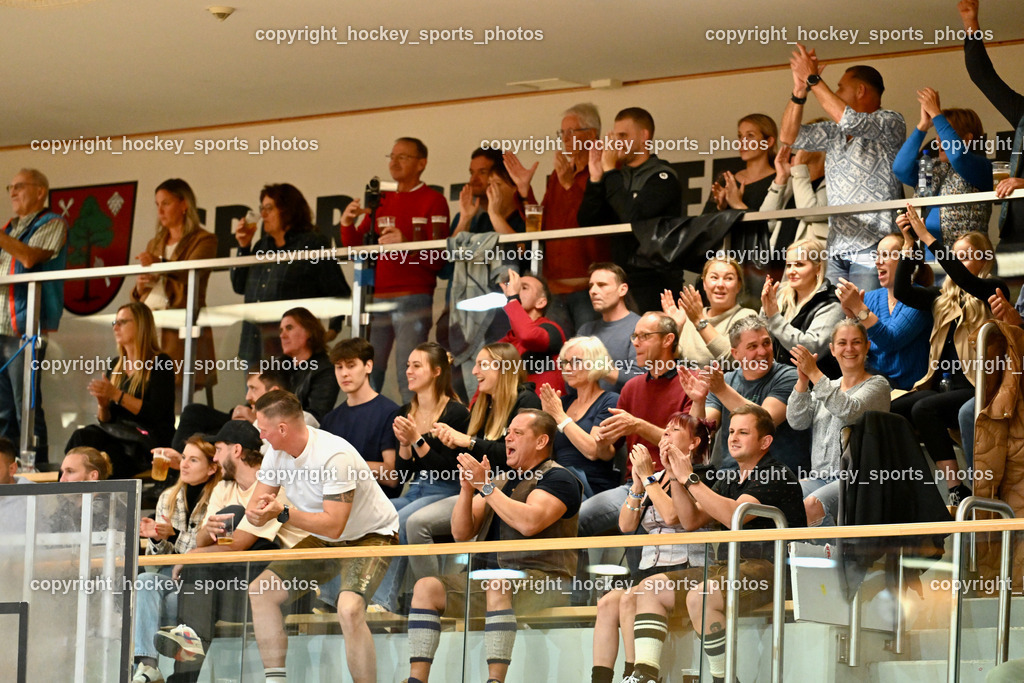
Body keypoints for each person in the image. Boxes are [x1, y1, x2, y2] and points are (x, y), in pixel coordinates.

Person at [626, 405, 807, 683]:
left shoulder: (776, 474)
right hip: (728, 567)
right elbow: (690, 520)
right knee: (650, 587)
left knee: (702, 595)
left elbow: (735, 516)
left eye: (743, 432)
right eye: (731, 431)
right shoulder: (729, 476)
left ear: (765, 442)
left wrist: (689, 477)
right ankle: (645, 675)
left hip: (772, 569)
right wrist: (674, 476)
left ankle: (723, 679)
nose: (733, 437)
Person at [404, 409, 583, 683]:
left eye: (518, 433)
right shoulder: (501, 481)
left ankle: (495, 680)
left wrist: (485, 487)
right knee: (426, 587)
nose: (507, 438)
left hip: (545, 583)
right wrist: (467, 490)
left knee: (499, 583)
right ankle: (416, 680)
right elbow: (461, 532)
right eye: (508, 432)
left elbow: (529, 523)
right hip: (490, 582)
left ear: (541, 441)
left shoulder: (559, 479)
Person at [245, 390, 399, 683]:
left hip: (372, 535)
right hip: (326, 536)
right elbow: (256, 505)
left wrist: (282, 512)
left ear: (282, 429)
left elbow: (333, 526)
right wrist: (257, 513)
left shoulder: (334, 455)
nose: (260, 436)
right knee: (261, 590)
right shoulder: (275, 453)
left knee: (349, 609)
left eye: (263, 429)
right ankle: (275, 680)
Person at [156, 421, 306, 683]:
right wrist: (206, 532)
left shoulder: (273, 485)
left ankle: (185, 662)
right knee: (202, 574)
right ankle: (188, 652)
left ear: (236, 450)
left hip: (277, 584)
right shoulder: (224, 488)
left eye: (218, 450)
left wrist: (190, 556)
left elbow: (240, 543)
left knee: (227, 527)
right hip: (235, 584)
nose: (214, 457)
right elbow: (203, 540)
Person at [891, 204, 1009, 504]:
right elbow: (903, 291)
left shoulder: (993, 290)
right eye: (954, 256)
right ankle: (910, 490)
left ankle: (956, 488)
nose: (956, 262)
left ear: (984, 259)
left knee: (924, 409)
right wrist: (910, 245)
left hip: (978, 386)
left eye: (965, 255)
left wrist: (930, 239)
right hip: (943, 387)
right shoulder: (941, 299)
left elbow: (969, 282)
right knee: (893, 410)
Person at [405, 343, 541, 584]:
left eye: (482, 365)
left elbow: (515, 455)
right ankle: (434, 591)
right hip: (477, 488)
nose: (474, 371)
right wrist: (449, 441)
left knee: (416, 522)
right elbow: (472, 454)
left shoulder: (526, 399)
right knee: (413, 522)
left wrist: (467, 442)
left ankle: (436, 592)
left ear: (503, 367)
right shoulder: (482, 405)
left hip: (511, 487)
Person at [591, 413, 711, 683]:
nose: (665, 433)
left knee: (628, 597)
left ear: (693, 443)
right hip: (648, 570)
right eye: (665, 429)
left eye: (674, 430)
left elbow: (672, 517)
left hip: (686, 570)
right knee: (608, 602)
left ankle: (635, 675)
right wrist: (637, 484)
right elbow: (626, 524)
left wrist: (647, 479)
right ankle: (599, 679)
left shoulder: (699, 476)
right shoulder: (652, 478)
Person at [781, 47, 905, 291]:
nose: (835, 92)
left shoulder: (890, 120)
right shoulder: (833, 132)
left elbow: (852, 120)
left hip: (874, 244)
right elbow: (788, 136)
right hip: (836, 245)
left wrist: (814, 80)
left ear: (860, 90)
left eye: (839, 87)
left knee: (864, 319)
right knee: (838, 326)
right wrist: (799, 91)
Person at [339, 137, 450, 402]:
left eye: (403, 157)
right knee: (369, 371)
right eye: (392, 156)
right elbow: (358, 248)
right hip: (377, 298)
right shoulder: (382, 201)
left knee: (408, 371)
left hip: (413, 295)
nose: (394, 162)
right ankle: (370, 429)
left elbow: (438, 260)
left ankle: (414, 433)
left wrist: (407, 243)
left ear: (421, 163)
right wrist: (346, 223)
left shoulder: (434, 200)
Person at [370, 342, 469, 612]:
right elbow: (402, 475)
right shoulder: (405, 412)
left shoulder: (456, 413)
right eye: (407, 366)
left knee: (399, 519)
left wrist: (416, 440)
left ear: (437, 371)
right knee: (368, 516)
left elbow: (449, 467)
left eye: (416, 366)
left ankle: (385, 602)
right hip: (414, 489)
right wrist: (404, 443)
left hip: (446, 490)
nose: (409, 371)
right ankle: (338, 596)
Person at [579, 312, 692, 537]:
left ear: (668, 340)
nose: (636, 343)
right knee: (578, 518)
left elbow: (686, 445)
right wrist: (602, 442)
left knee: (640, 530)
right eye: (634, 336)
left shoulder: (690, 381)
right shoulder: (631, 387)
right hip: (634, 483)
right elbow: (609, 451)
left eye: (644, 336)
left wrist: (637, 425)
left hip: (675, 482)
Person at [504, 103, 609, 337]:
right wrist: (524, 190)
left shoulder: (605, 172)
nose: (565, 139)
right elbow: (541, 224)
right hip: (554, 286)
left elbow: (592, 217)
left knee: (589, 357)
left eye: (572, 132)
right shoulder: (558, 176)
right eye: (562, 133)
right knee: (559, 359)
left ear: (592, 134)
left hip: (588, 285)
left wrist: (570, 185)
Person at [230, 183, 349, 369]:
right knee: (256, 399)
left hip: (292, 352)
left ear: (288, 210)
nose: (263, 215)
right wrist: (244, 246)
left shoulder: (312, 243)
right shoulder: (261, 246)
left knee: (287, 399)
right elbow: (239, 286)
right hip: (254, 348)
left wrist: (331, 331)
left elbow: (338, 291)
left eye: (269, 208)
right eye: (262, 209)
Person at [577, 107, 683, 313]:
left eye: (623, 136)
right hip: (621, 277)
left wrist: (609, 173)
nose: (617, 142)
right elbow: (588, 221)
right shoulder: (616, 177)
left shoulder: (663, 177)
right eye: (615, 136)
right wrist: (596, 179)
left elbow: (633, 217)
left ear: (644, 136)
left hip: (655, 279)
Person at [787, 320, 892, 526]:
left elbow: (848, 410)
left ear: (867, 346)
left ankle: (835, 557)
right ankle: (791, 557)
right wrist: (803, 380)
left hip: (856, 479)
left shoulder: (878, 385)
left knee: (812, 505)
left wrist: (815, 374)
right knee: (783, 497)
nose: (849, 349)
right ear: (832, 350)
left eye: (856, 342)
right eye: (842, 343)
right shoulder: (826, 386)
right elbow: (797, 421)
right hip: (818, 477)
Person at [133, 436, 220, 683]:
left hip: (199, 588)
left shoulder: (219, 496)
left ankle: (150, 669)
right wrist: (158, 540)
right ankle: (148, 665)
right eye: (183, 458)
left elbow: (208, 550)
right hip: (167, 579)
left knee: (155, 594)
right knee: (145, 580)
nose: (184, 464)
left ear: (212, 467)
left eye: (193, 459)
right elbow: (154, 561)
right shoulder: (168, 497)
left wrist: (175, 534)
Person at [680, 315, 808, 476]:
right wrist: (698, 401)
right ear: (735, 353)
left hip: (776, 475)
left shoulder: (789, 377)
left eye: (766, 343)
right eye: (752, 346)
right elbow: (701, 433)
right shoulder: (726, 380)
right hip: (729, 474)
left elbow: (766, 420)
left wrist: (721, 390)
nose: (762, 352)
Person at [1, 168, 68, 464]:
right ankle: (5, 473)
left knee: (25, 408)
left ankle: (36, 475)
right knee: (2, 411)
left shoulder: (53, 223)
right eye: (10, 188)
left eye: (19, 186)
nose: (12, 192)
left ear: (41, 191)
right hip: (1, 330)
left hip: (25, 330)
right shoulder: (9, 228)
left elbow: (29, 257)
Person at [65, 302, 175, 479]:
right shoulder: (116, 364)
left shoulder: (161, 362)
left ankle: (95, 502)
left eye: (123, 322)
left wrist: (116, 394)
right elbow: (106, 421)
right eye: (114, 322)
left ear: (140, 326)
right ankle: (65, 495)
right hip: (119, 435)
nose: (116, 327)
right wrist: (104, 406)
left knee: (106, 457)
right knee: (81, 437)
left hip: (145, 442)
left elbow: (156, 413)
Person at [130, 178, 219, 396]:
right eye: (157, 204)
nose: (160, 211)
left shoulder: (204, 240)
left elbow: (190, 272)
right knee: (144, 391)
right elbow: (150, 285)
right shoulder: (155, 243)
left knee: (175, 395)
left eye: (166, 203)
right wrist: (141, 286)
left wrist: (159, 264)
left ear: (184, 204)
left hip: (181, 326)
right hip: (152, 325)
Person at [892, 90, 992, 252]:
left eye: (945, 133)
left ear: (967, 139)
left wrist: (936, 113)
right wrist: (923, 125)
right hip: (928, 256)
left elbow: (959, 157)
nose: (939, 139)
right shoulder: (932, 166)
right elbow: (900, 168)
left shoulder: (981, 166)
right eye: (938, 133)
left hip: (965, 258)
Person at [960, 0, 1024, 246]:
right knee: (1006, 285)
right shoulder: (1022, 113)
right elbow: (984, 77)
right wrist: (971, 25)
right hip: (1013, 233)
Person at [835, 233, 931, 390]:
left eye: (886, 255)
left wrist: (859, 308)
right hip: (870, 382)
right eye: (877, 255)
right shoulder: (870, 297)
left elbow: (890, 341)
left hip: (905, 390)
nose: (878, 262)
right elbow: (850, 350)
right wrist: (850, 317)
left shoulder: (921, 299)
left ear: (905, 260)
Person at [319, 337, 401, 497]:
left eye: (351, 366)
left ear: (368, 366)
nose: (344, 373)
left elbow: (392, 476)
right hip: (335, 502)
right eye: (339, 367)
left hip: (377, 504)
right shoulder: (330, 420)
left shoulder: (390, 412)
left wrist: (346, 464)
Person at [539, 336, 619, 498]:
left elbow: (592, 450)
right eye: (564, 363)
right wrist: (545, 421)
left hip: (590, 485)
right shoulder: (563, 403)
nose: (567, 368)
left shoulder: (610, 400)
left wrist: (560, 417)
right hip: (556, 478)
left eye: (575, 362)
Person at [761, 238, 844, 371]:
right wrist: (765, 312)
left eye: (799, 264)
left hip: (813, 384)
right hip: (778, 377)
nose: (791, 271)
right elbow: (761, 341)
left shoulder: (832, 303)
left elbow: (810, 349)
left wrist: (774, 317)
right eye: (789, 265)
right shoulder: (780, 295)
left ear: (818, 268)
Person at [660, 256, 756, 369]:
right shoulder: (690, 317)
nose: (720, 284)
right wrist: (677, 329)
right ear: (704, 284)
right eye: (714, 278)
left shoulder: (747, 316)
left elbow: (734, 360)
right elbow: (671, 361)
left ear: (738, 285)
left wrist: (699, 321)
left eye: (728, 278)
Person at [495, 269, 565, 393]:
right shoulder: (504, 343)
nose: (515, 290)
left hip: (542, 411)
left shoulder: (552, 330)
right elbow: (485, 386)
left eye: (524, 287)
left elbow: (528, 336)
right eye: (515, 287)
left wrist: (513, 298)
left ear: (541, 302)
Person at [576, 262, 643, 392]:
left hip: (623, 409)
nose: (593, 291)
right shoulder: (586, 330)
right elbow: (572, 381)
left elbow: (640, 379)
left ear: (622, 289)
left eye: (602, 285)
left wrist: (597, 367)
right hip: (588, 408)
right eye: (591, 286)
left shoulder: (639, 327)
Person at [269, 307, 338, 422]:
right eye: (281, 330)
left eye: (289, 328)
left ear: (309, 331)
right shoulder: (278, 365)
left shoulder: (325, 369)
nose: (282, 335)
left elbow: (315, 418)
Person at [450, 147, 505, 235]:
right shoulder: (460, 217)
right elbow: (452, 248)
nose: (473, 179)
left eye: (482, 172)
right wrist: (465, 219)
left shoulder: (515, 215)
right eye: (472, 173)